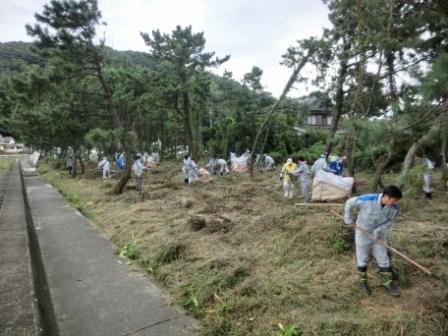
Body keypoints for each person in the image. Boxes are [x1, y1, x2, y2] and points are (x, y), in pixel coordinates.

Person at [344, 185, 402, 297]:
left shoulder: (395, 208)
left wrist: (378, 230)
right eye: (394, 200)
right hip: (362, 233)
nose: (395, 203)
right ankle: (364, 283)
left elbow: (389, 222)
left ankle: (388, 283)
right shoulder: (368, 199)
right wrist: (347, 218)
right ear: (386, 197)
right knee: (362, 258)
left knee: (383, 258)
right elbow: (349, 202)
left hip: (378, 235)